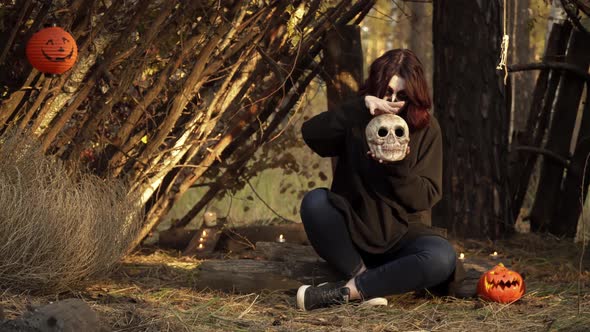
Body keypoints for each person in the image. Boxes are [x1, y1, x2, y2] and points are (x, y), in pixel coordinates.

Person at [297, 49, 463, 311]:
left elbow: (425, 197)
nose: (393, 101)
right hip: (353, 229)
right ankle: (365, 279)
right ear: (375, 89)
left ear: (414, 96)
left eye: (402, 96)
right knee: (315, 202)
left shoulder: (427, 129)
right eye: (387, 93)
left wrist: (399, 168)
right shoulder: (357, 118)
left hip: (403, 235)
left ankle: (349, 291)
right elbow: (311, 134)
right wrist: (358, 107)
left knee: (442, 257)